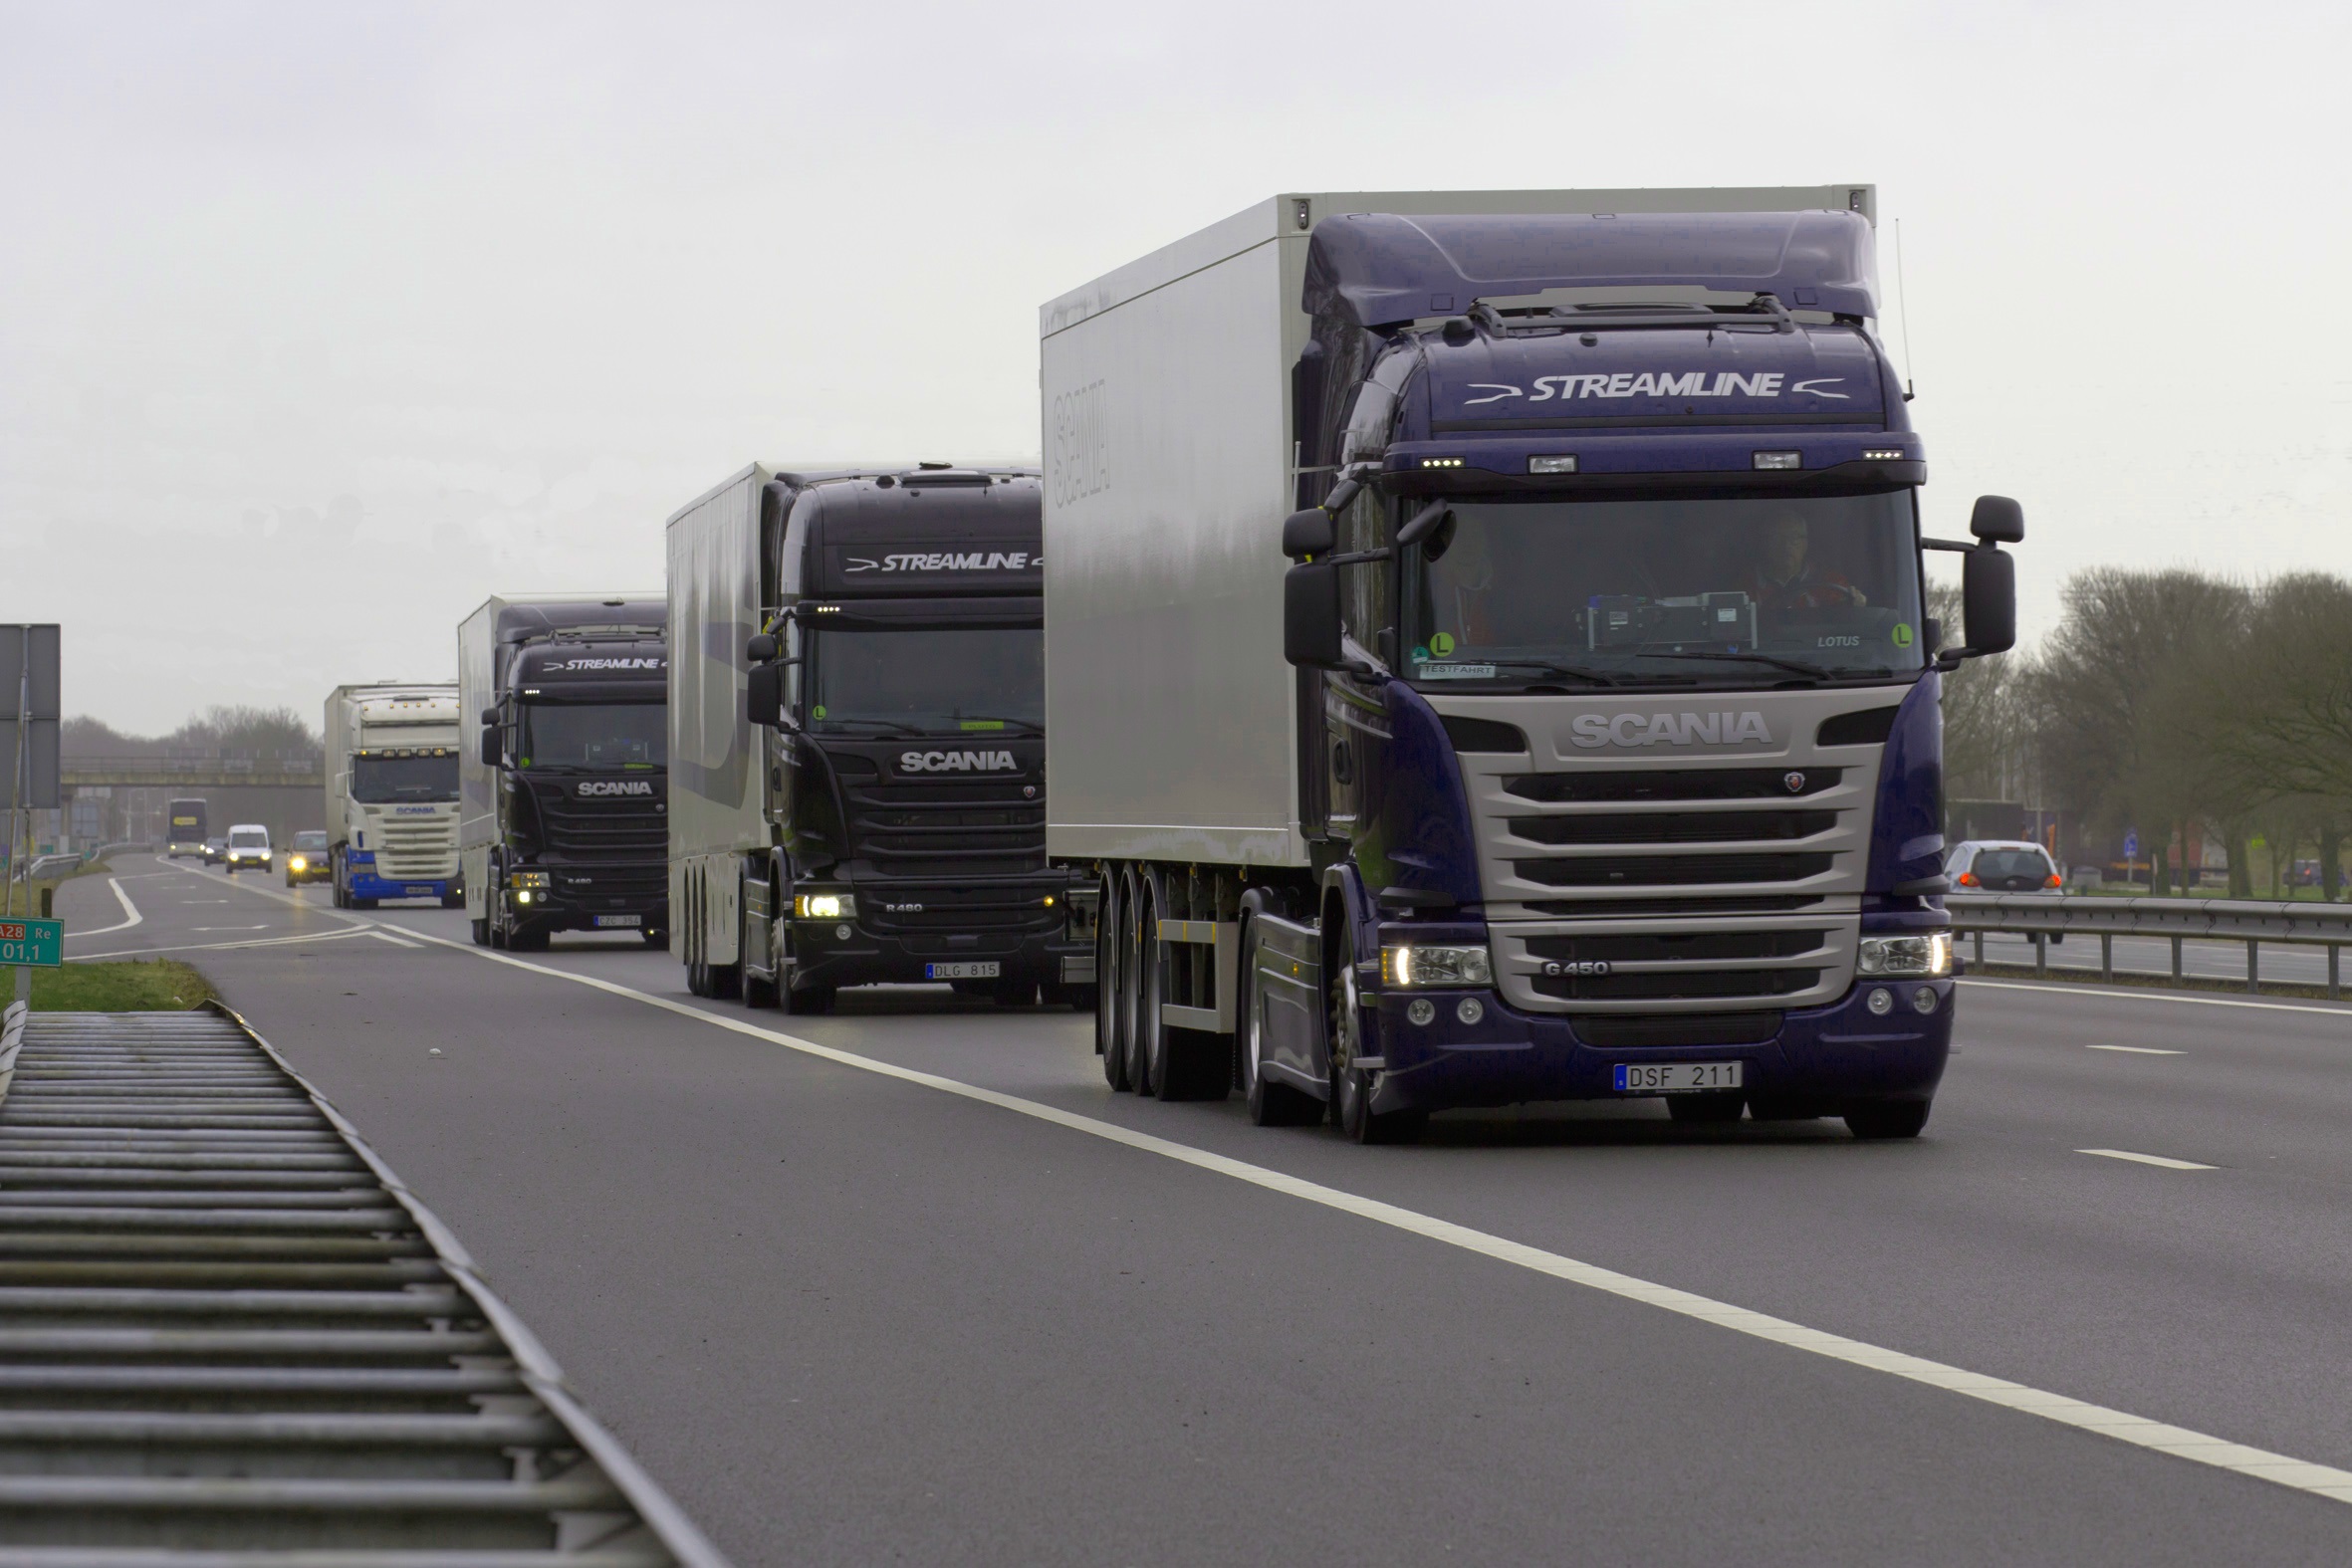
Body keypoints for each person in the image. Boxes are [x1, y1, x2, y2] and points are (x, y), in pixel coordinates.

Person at [1743, 511, 1867, 610]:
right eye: (1776, 538)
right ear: (1765, 544)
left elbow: (1846, 621)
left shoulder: (1831, 582)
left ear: (1805, 544)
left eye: (1794, 538)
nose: (1786, 545)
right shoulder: (1746, 585)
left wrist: (1856, 605)